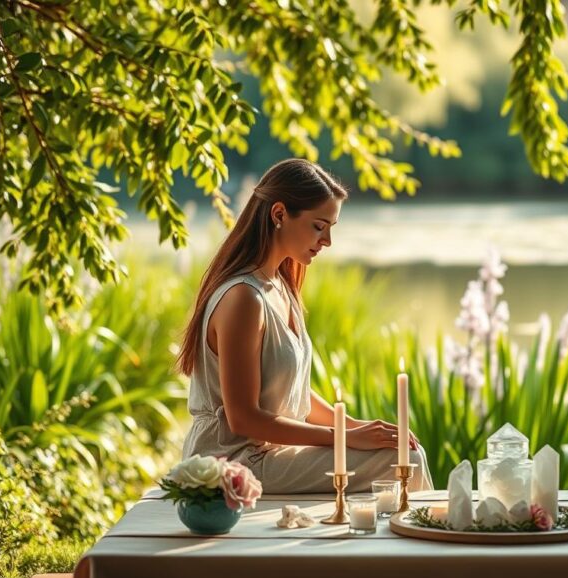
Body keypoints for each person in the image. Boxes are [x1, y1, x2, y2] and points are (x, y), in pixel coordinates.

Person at [175, 158, 432, 493]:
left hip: (271, 454)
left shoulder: (280, 286)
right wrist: (344, 437)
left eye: (331, 228)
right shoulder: (243, 298)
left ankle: (411, 535)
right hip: (232, 461)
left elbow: (289, 389)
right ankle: (423, 536)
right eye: (319, 226)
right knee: (402, 462)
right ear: (279, 214)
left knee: (402, 451)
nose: (327, 241)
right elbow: (244, 419)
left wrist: (353, 426)